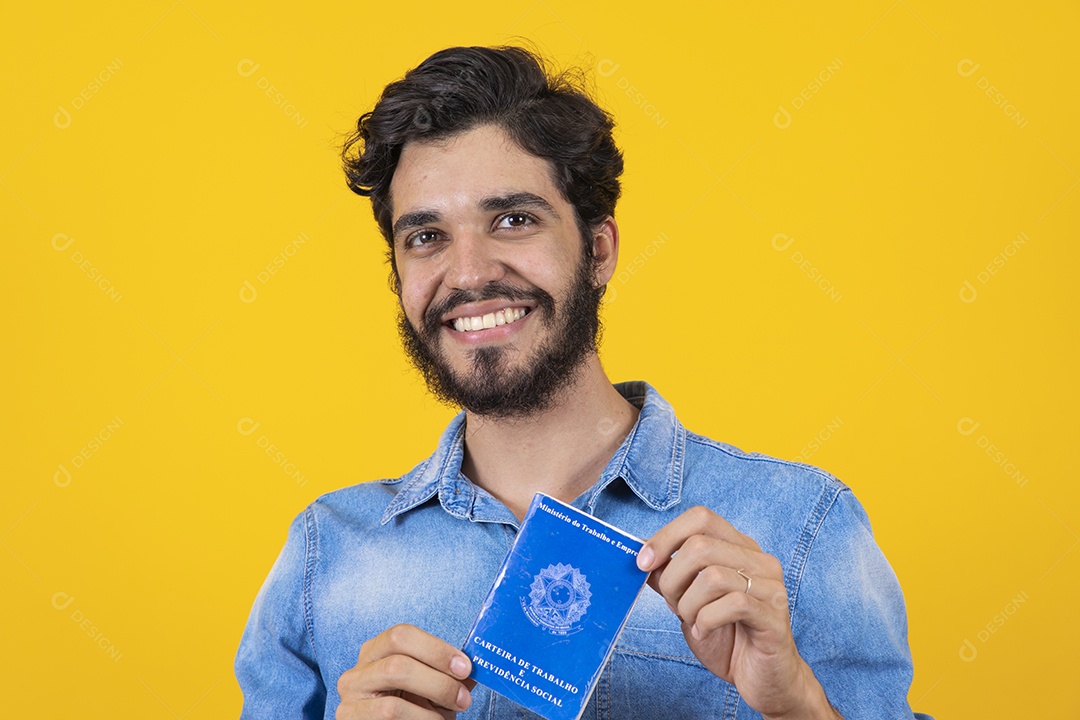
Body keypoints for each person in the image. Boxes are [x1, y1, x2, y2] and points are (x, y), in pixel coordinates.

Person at [235, 45, 933, 720]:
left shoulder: (799, 525)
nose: (470, 272)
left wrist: (799, 707)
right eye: (426, 236)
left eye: (513, 220)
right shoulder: (325, 553)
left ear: (598, 250)